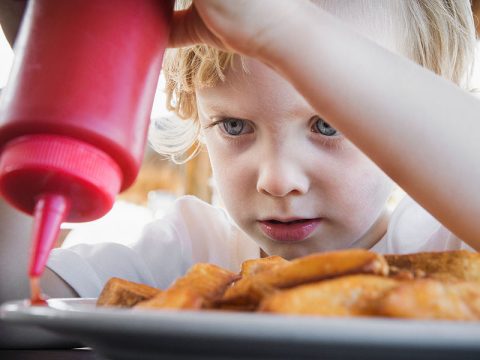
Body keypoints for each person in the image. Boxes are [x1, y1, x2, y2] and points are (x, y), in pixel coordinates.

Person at [42, 0, 480, 298]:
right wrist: (50, 67)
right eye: (235, 125)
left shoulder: (448, 242)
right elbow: (19, 297)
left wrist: (288, 34)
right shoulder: (188, 251)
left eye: (329, 123)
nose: (277, 180)